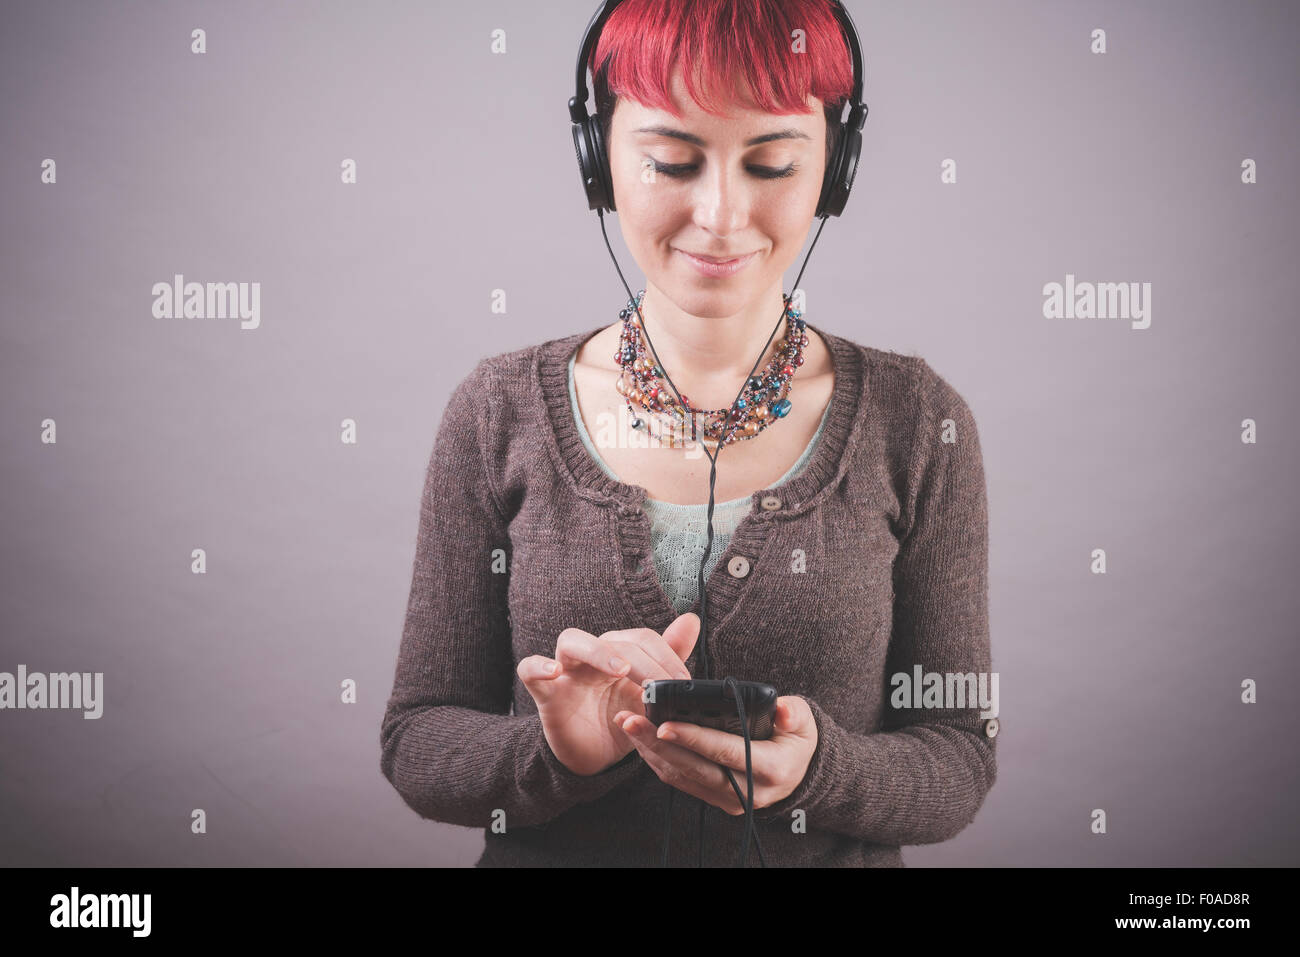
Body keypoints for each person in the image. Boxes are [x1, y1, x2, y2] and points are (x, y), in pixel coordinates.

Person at [380, 0, 997, 867]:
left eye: (773, 162)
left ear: (837, 165)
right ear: (598, 161)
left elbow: (960, 755)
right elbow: (418, 741)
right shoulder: (495, 412)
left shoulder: (918, 423)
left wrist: (821, 765)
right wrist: (558, 752)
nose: (720, 214)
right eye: (672, 160)